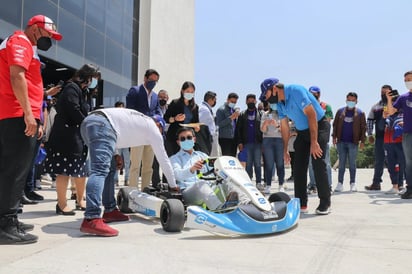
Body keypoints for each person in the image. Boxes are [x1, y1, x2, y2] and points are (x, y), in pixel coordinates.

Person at [0, 14, 62, 244]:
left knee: (14, 170)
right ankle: (6, 225)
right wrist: (28, 114)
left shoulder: (26, 46)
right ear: (35, 29)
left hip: (17, 114)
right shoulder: (20, 42)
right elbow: (17, 76)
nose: (50, 39)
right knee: (14, 171)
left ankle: (9, 217)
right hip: (17, 114)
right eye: (48, 34)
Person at [79, 108, 178, 236]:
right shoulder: (153, 127)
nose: (159, 136)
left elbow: (115, 126)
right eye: (161, 131)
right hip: (102, 124)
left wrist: (115, 154)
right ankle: (91, 218)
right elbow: (163, 160)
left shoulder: (139, 119)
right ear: (159, 125)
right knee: (99, 171)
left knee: (110, 167)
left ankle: (110, 210)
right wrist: (173, 186)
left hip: (89, 122)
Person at [261, 78, 331, 215]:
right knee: (298, 167)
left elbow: (312, 115)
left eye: (266, 94)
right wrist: (285, 149)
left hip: (318, 126)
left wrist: (314, 142)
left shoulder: (296, 91)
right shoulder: (280, 104)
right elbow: (285, 127)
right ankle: (301, 203)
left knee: (318, 162)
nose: (266, 98)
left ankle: (325, 202)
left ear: (275, 88)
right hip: (302, 131)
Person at [44, 64, 100, 215]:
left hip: (77, 136)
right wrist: (88, 123)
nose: (94, 82)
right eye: (93, 78)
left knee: (80, 171)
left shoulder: (82, 91)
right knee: (64, 171)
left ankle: (80, 200)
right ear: (87, 77)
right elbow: (73, 110)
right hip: (66, 136)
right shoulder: (71, 88)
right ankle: (61, 204)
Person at [170, 128, 245, 209]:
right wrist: (192, 169)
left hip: (209, 189)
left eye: (189, 137)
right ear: (178, 142)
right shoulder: (175, 158)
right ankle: (219, 208)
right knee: (201, 184)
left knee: (228, 180)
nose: (186, 140)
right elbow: (177, 175)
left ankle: (245, 203)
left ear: (194, 139)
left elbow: (215, 168)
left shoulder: (202, 155)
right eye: (183, 139)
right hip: (188, 192)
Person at [126, 69, 161, 190]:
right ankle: (132, 192)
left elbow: (158, 112)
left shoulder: (155, 96)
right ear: (145, 79)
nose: (153, 83)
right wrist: (145, 118)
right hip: (137, 133)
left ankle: (145, 192)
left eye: (155, 81)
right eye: (151, 80)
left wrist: (157, 118)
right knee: (135, 165)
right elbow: (129, 111)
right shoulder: (135, 91)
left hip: (150, 135)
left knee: (148, 167)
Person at [332, 92, 366, 192]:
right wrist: (334, 137)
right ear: (346, 100)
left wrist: (362, 141)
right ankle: (340, 183)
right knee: (341, 163)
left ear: (356, 101)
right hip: (341, 141)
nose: (351, 102)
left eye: (353, 100)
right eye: (349, 100)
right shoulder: (340, 111)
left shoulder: (360, 113)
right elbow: (335, 125)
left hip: (353, 142)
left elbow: (363, 128)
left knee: (352, 163)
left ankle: (352, 183)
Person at [386, 70, 412, 199]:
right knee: (409, 162)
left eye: (410, 79)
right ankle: (410, 188)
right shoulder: (403, 97)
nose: (408, 82)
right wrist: (389, 99)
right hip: (408, 134)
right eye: (406, 80)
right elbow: (391, 112)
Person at [365, 85, 392, 191]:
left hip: (394, 138)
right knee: (379, 160)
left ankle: (398, 184)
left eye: (386, 92)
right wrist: (370, 134)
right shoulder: (376, 107)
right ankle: (376, 183)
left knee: (394, 161)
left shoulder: (396, 104)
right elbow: (370, 120)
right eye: (382, 92)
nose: (383, 94)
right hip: (380, 138)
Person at [307, 86, 333, 194]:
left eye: (315, 93)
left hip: (322, 138)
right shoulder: (306, 106)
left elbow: (327, 121)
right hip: (309, 138)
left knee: (325, 163)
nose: (313, 95)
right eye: (311, 93)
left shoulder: (326, 106)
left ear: (319, 94)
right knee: (311, 163)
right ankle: (313, 185)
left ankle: (328, 185)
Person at [164, 81, 200, 156]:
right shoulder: (175, 103)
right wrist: (175, 119)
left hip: (188, 139)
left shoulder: (195, 107)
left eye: (192, 92)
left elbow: (196, 122)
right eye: (188, 91)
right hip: (174, 138)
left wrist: (197, 127)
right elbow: (165, 118)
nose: (190, 94)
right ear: (182, 91)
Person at [236, 94, 263, 189]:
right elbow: (238, 130)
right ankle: (248, 181)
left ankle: (259, 182)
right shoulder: (242, 115)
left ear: (255, 101)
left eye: (253, 100)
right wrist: (240, 142)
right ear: (246, 102)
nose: (251, 102)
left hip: (258, 143)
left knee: (258, 164)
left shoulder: (261, 114)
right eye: (249, 101)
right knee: (248, 164)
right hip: (246, 143)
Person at [260, 97, 285, 193]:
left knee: (280, 163)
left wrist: (277, 125)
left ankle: (281, 185)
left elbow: (285, 129)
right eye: (271, 103)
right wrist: (265, 124)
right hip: (267, 140)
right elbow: (262, 130)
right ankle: (268, 185)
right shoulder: (265, 114)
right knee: (269, 164)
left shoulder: (282, 114)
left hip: (279, 140)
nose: (273, 105)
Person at [382, 90, 405, 194]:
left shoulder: (403, 112)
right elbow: (381, 124)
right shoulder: (387, 111)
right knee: (391, 165)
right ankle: (394, 186)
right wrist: (384, 117)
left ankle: (401, 185)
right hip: (388, 141)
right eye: (392, 101)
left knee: (401, 164)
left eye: (395, 101)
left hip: (400, 141)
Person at [216, 93, 240, 157]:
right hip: (225, 138)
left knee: (233, 158)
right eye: (232, 101)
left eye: (235, 102)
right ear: (227, 100)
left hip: (233, 139)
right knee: (226, 159)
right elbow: (219, 124)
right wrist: (231, 118)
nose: (233, 103)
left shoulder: (233, 110)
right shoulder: (221, 110)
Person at [113, 101, 130, 186]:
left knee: (127, 161)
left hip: (126, 142)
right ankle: (115, 180)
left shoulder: (127, 117)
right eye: (119, 108)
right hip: (117, 142)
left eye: (122, 108)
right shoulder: (113, 118)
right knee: (117, 161)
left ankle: (127, 179)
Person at [198, 91, 218, 155]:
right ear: (210, 100)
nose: (215, 102)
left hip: (210, 138)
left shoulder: (206, 108)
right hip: (206, 138)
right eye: (214, 100)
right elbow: (200, 123)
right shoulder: (204, 109)